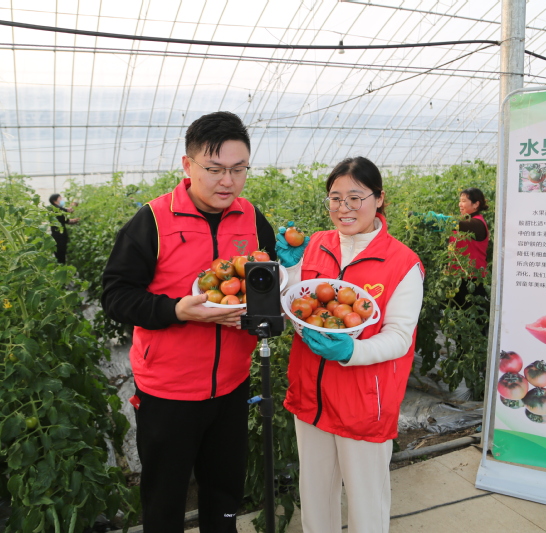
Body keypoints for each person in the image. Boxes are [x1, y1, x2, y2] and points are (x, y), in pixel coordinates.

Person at [100, 111, 276, 532]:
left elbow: (265, 289)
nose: (228, 181)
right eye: (214, 169)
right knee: (165, 503)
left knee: (225, 497)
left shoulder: (253, 220)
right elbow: (116, 296)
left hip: (231, 386)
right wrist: (176, 311)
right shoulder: (153, 221)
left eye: (238, 169)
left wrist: (260, 315)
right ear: (188, 165)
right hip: (168, 393)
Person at [276, 157, 424, 532]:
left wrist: (351, 351)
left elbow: (400, 337)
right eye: (335, 198)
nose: (344, 208)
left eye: (355, 197)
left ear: (379, 199)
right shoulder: (316, 245)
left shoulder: (402, 263)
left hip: (363, 401)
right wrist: (289, 268)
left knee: (366, 503)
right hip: (311, 394)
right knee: (315, 496)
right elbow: (296, 304)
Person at [449, 187, 489, 310]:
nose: (460, 204)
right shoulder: (465, 221)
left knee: (471, 314)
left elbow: (458, 225)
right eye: (460, 201)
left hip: (472, 279)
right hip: (457, 278)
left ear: (476, 204)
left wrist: (436, 219)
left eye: (464, 201)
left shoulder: (477, 224)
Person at [48, 193, 79, 264]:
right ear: (54, 201)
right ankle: (61, 268)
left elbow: (66, 211)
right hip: (60, 236)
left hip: (56, 235)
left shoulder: (53, 209)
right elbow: (66, 219)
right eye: (60, 198)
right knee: (61, 254)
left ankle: (60, 266)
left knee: (59, 254)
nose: (62, 200)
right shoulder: (57, 210)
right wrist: (75, 219)